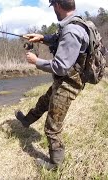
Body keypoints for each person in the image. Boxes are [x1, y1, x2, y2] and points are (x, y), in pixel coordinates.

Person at [15, 0, 90, 170]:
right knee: (44, 102)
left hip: (69, 83)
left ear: (57, 5)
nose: (53, 10)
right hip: (66, 79)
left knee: (52, 127)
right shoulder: (74, 22)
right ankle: (27, 121)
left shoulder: (72, 30)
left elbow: (60, 67)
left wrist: (36, 61)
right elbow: (58, 39)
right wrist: (41, 38)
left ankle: (56, 165)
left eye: (52, 6)